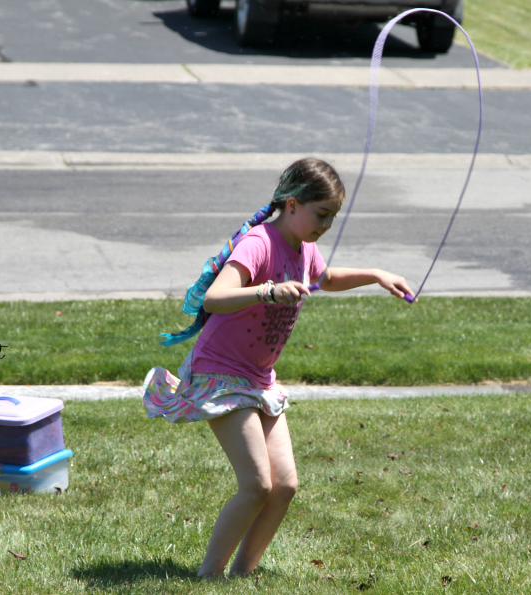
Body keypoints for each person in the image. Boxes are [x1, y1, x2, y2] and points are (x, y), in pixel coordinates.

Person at [142, 158, 413, 578]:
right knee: (256, 485)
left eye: (332, 217)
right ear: (292, 204)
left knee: (284, 485)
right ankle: (209, 576)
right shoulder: (260, 242)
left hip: (259, 379)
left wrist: (377, 274)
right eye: (320, 214)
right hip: (220, 374)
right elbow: (215, 297)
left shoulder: (304, 247)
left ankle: (241, 575)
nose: (325, 224)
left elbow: (328, 276)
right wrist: (268, 292)